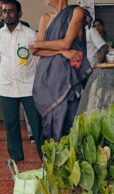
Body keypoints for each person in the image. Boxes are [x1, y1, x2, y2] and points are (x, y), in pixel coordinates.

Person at [30, 0, 92, 141]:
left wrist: (40, 44)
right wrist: (62, 52)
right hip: (46, 80)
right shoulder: (45, 18)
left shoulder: (76, 12)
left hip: (66, 80)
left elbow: (66, 43)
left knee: (67, 123)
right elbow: (35, 51)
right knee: (48, 127)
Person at [0, 0, 43, 162]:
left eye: (11, 11)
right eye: (4, 11)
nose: (7, 14)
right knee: (11, 125)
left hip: (29, 87)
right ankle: (16, 156)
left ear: (19, 14)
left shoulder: (30, 35)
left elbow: (38, 62)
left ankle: (44, 156)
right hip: (6, 87)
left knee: (37, 124)